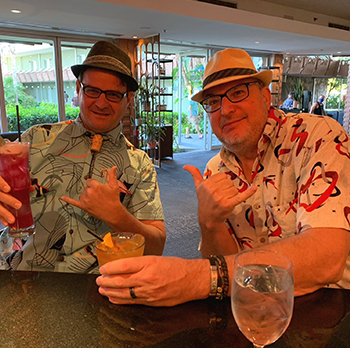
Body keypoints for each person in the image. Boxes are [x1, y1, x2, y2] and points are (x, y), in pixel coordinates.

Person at [95, 48, 350, 307]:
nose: (225, 110)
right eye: (213, 102)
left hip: (328, 310)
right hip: (251, 309)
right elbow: (224, 265)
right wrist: (209, 222)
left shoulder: (316, 137)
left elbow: (328, 258)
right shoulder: (214, 170)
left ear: (264, 95)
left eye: (238, 92)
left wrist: (194, 278)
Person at [0, 40, 166, 273]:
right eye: (92, 90)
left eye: (113, 95)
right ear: (79, 89)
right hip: (20, 275)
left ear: (128, 100)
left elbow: (156, 247)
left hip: (96, 289)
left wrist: (118, 217)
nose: (100, 102)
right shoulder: (35, 139)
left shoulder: (140, 164)